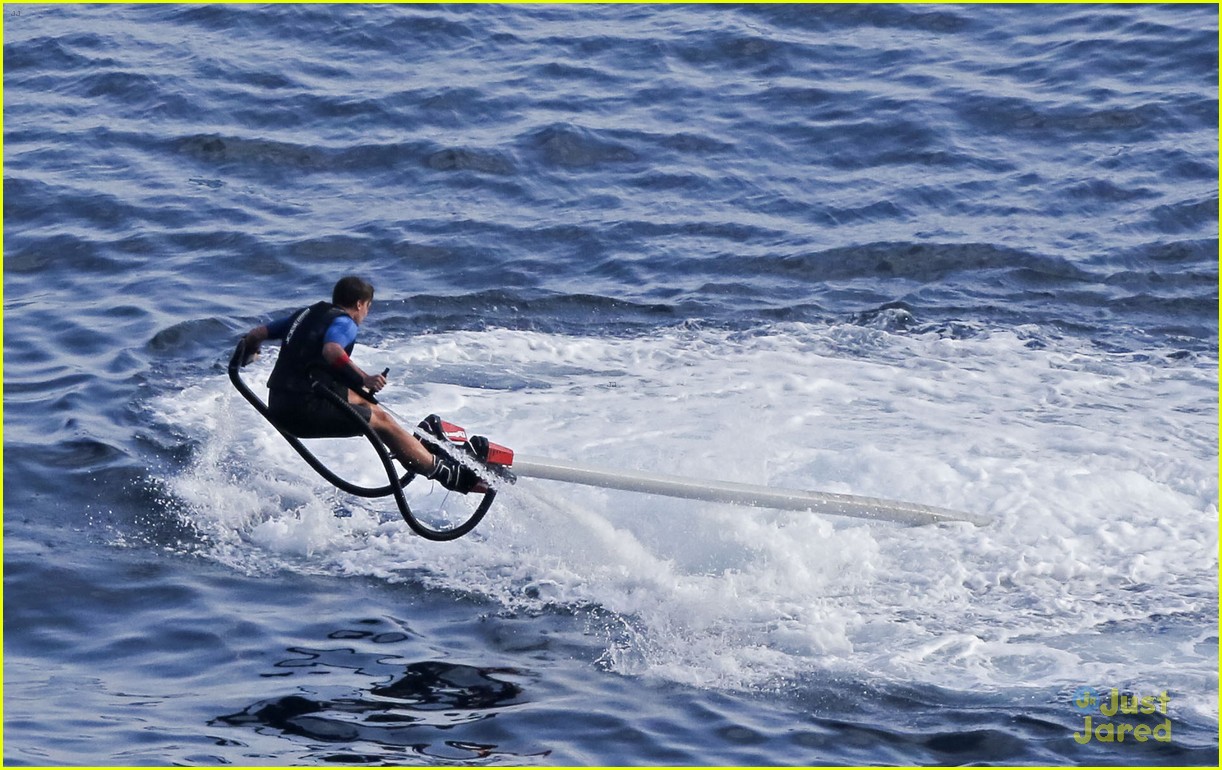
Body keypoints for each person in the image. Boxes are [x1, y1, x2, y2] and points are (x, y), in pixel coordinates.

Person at [239, 276, 480, 493]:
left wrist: (250, 353)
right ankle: (449, 475)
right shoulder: (345, 323)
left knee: (368, 404)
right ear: (359, 304)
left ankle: (415, 450)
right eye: (368, 307)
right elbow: (332, 350)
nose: (366, 314)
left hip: (280, 402)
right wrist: (364, 378)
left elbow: (256, 333)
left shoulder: (307, 313)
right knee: (381, 422)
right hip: (303, 411)